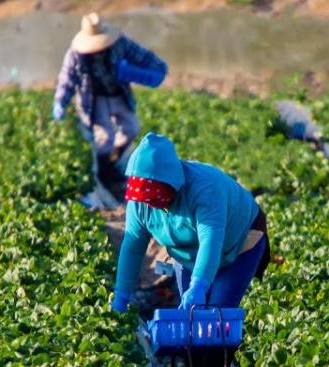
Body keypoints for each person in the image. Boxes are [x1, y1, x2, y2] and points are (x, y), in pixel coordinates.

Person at [111, 133, 270, 362]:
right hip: (188, 255)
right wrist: (122, 296)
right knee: (190, 328)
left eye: (154, 196)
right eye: (145, 198)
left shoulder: (204, 189)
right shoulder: (141, 203)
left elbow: (211, 240)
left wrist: (199, 285)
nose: (150, 202)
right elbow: (133, 248)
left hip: (239, 243)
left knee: (213, 320)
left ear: (170, 183)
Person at [53, 13, 168, 199]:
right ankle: (104, 171)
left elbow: (143, 56)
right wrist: (60, 102)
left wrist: (157, 67)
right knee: (105, 137)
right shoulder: (75, 55)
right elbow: (66, 80)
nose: (98, 50)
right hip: (93, 100)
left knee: (132, 127)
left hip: (117, 94)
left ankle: (114, 160)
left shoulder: (119, 44)